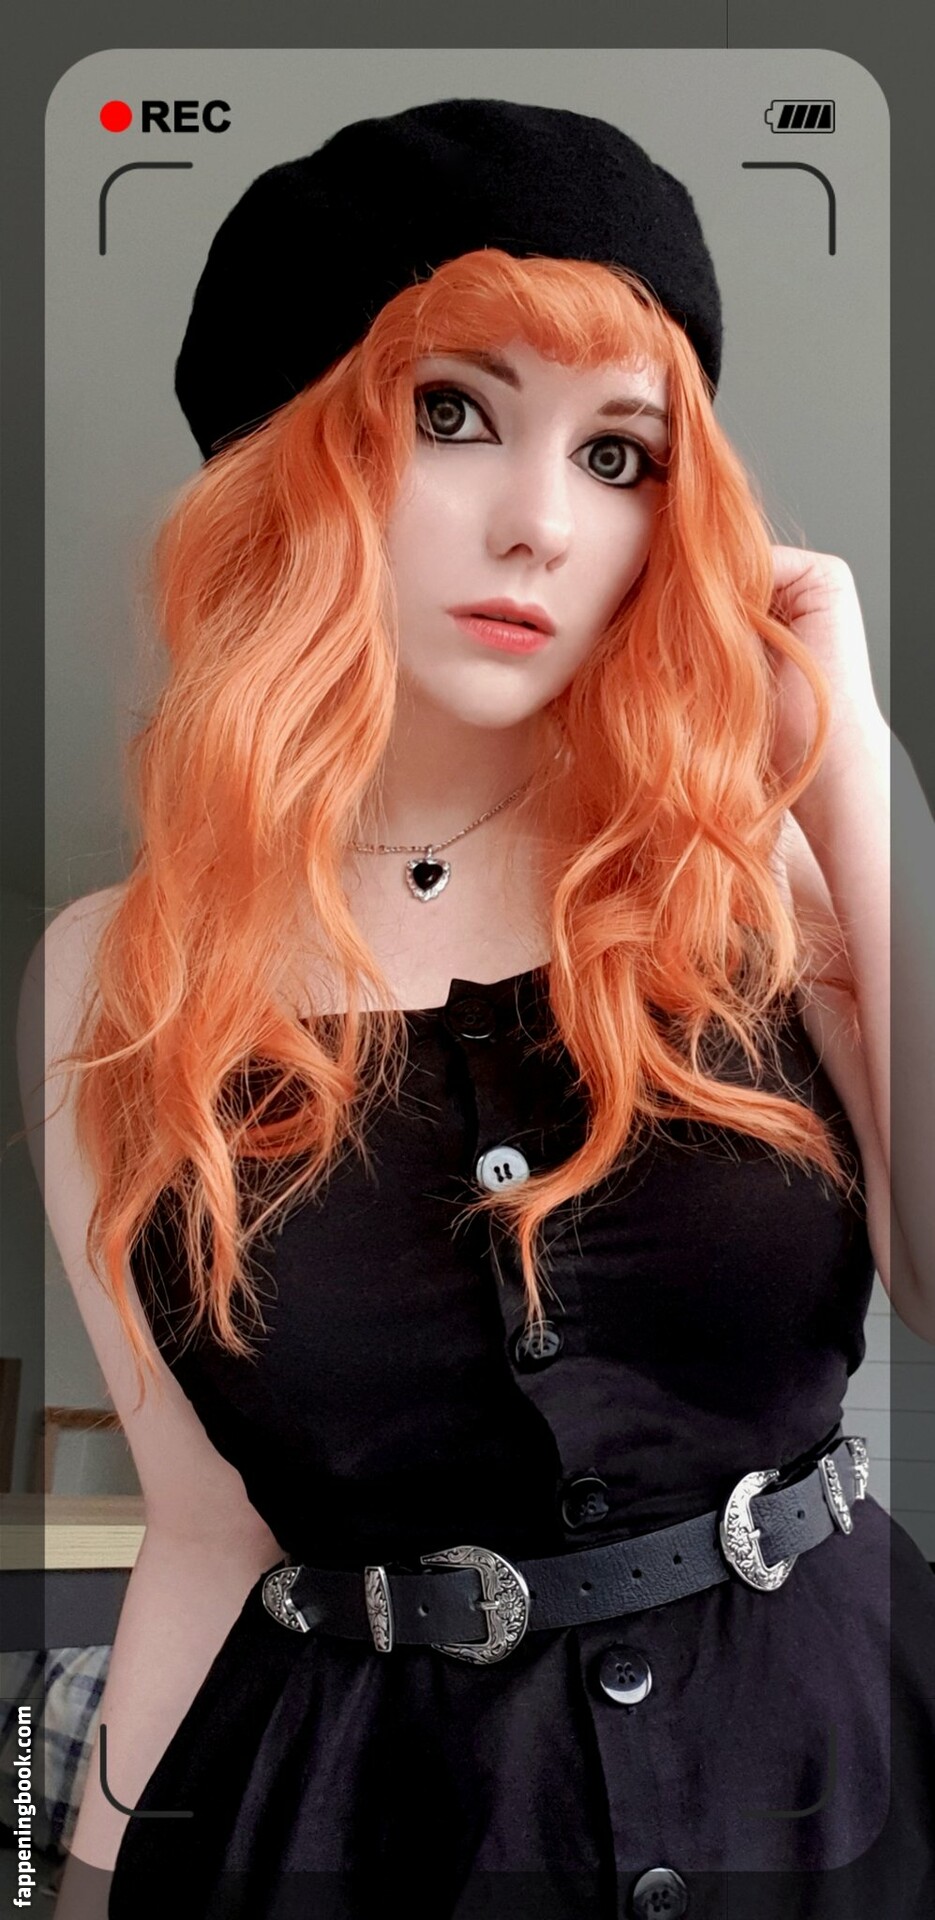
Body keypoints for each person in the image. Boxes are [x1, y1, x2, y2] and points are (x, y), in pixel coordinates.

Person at [18, 98, 935, 1920]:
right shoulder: (115, 976)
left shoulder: (757, 880)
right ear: (285, 464)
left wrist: (852, 772)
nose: (540, 524)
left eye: (620, 455)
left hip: (841, 1793)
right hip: (377, 1833)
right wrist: (88, 1874)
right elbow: (206, 1530)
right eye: (451, 415)